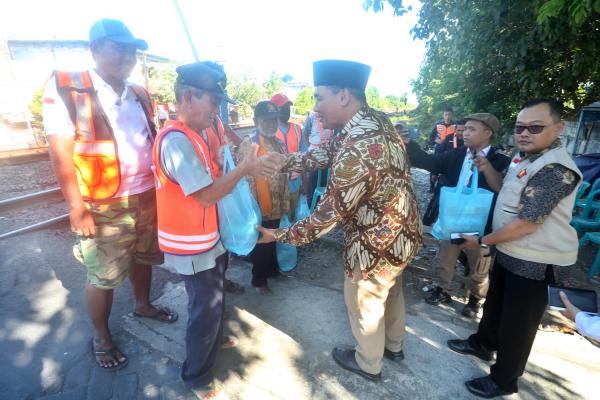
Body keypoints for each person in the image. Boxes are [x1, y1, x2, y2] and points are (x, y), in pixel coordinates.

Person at [256, 60, 422, 381]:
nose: (315, 108)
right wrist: (281, 160)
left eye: (319, 98)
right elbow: (323, 153)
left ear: (343, 96)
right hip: (404, 232)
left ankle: (368, 363)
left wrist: (277, 235)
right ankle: (395, 346)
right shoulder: (374, 121)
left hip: (374, 244)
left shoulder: (356, 150)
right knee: (393, 290)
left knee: (363, 301)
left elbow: (324, 218)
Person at [42, 19, 177, 371]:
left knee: (145, 257)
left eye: (132, 49)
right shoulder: (68, 88)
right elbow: (60, 155)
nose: (128, 55)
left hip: (146, 194)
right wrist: (77, 209)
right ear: (95, 49)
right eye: (119, 47)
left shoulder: (139, 93)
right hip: (101, 202)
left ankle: (143, 304)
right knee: (102, 273)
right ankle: (101, 335)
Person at [152, 62, 282, 399]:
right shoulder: (177, 141)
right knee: (203, 309)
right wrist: (245, 168)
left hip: (209, 236)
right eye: (213, 102)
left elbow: (218, 173)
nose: (217, 110)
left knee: (215, 300)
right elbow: (207, 194)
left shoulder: (198, 132)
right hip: (192, 243)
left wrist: (241, 161)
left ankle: (214, 339)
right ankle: (196, 375)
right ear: (189, 96)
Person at [448, 99, 582, 398]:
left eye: (535, 127)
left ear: (558, 128)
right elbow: (501, 189)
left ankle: (504, 379)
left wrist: (484, 241)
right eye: (520, 127)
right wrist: (486, 168)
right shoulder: (524, 158)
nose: (525, 133)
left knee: (518, 325)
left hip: (538, 259)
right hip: (512, 251)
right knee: (495, 305)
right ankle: (483, 343)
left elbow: (527, 223)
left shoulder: (556, 169)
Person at [404, 113, 511, 318]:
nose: (465, 134)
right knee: (446, 257)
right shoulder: (456, 155)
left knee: (479, 264)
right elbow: (429, 162)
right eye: (464, 130)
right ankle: (444, 290)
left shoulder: (501, 162)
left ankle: (475, 300)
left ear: (488, 133)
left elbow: (503, 191)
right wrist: (409, 144)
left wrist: (487, 168)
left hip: (482, 226)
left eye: (471, 130)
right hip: (452, 221)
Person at [238, 100, 290, 294]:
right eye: (266, 120)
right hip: (259, 203)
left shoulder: (278, 142)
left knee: (273, 238)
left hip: (276, 202)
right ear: (255, 120)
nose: (271, 124)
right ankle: (259, 280)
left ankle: (272, 270)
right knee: (260, 243)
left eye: (274, 120)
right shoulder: (249, 143)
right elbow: (241, 174)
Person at [271, 92, 305, 216]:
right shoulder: (268, 132)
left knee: (294, 220)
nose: (286, 111)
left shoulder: (297, 129)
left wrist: (304, 184)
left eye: (287, 108)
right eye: (282, 108)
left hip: (296, 185)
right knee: (280, 224)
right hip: (276, 189)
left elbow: (305, 157)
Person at [302, 111, 333, 203]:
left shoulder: (334, 116)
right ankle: (310, 205)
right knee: (312, 181)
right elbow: (305, 133)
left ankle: (321, 204)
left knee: (324, 182)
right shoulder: (312, 117)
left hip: (328, 155)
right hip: (314, 153)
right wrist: (312, 147)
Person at [428, 107, 458, 192]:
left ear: (452, 115)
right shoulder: (438, 125)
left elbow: (459, 137)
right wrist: (438, 141)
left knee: (450, 167)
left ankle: (448, 184)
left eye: (449, 115)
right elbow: (431, 137)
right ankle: (432, 186)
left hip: (451, 149)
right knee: (434, 168)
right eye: (446, 115)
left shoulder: (456, 125)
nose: (447, 117)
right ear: (443, 115)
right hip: (439, 149)